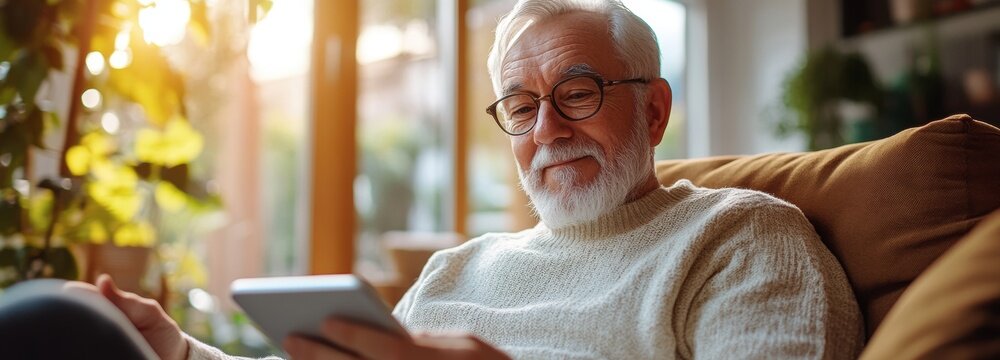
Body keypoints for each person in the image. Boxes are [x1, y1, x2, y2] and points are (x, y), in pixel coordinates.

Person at [17, 0, 863, 358]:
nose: (548, 130)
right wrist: (182, 351)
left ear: (652, 111)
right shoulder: (459, 271)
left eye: (576, 92)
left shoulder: (745, 237)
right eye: (521, 106)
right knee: (62, 324)